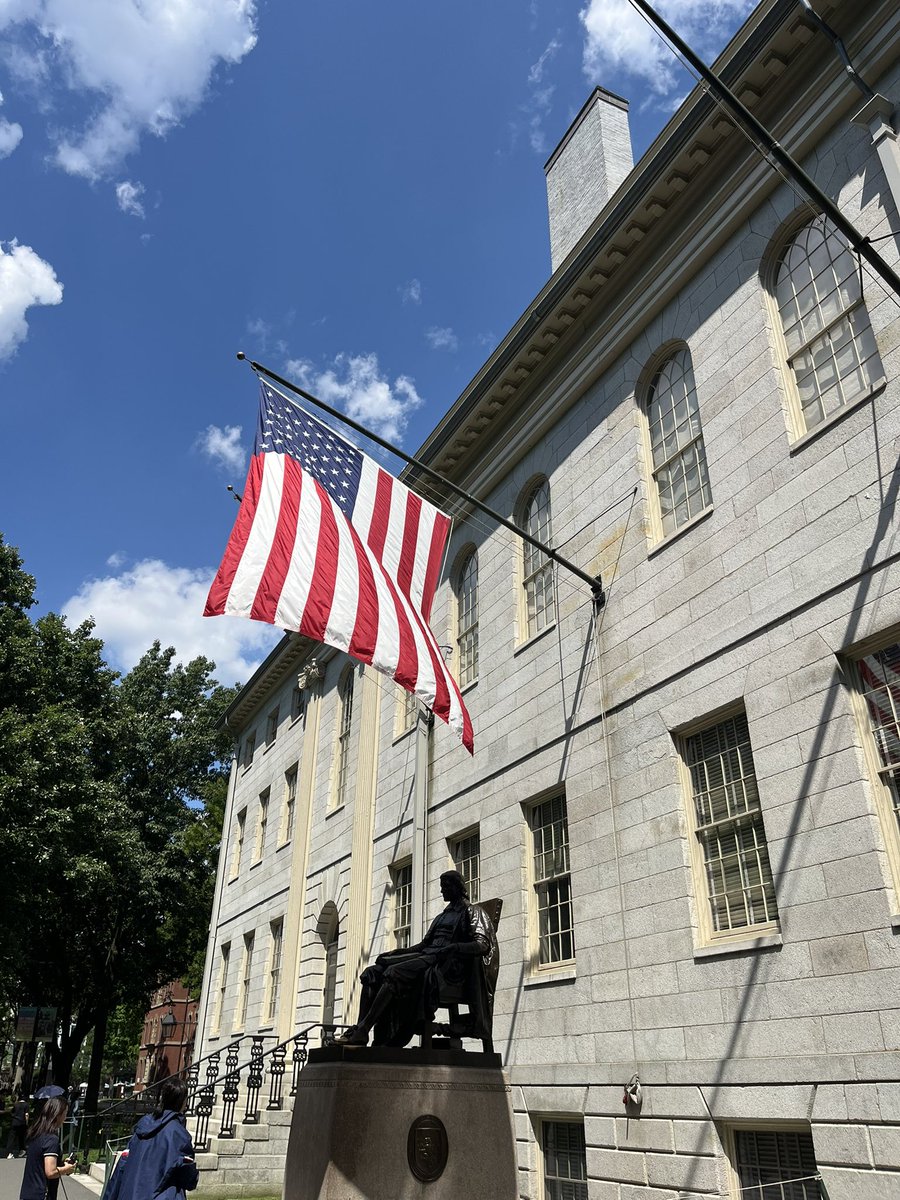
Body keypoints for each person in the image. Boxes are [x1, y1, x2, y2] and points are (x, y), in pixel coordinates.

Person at [337, 870, 498, 1048]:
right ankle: (359, 1029)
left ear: (458, 887)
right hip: (426, 957)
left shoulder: (473, 911)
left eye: (446, 886)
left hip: (446, 969)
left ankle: (364, 1029)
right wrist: (396, 953)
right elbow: (423, 946)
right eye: (441, 886)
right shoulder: (441, 917)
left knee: (394, 973)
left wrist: (454, 948)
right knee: (372, 973)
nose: (442, 890)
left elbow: (482, 945)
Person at [104, 1079, 198, 1200]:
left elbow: (123, 1164)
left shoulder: (143, 1125)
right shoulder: (179, 1135)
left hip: (130, 1193)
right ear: (183, 1101)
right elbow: (188, 1180)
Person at [18, 1097, 76, 1200]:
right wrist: (66, 1169)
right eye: (65, 1113)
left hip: (28, 1192)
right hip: (42, 1194)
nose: (65, 1117)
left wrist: (61, 1163)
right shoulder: (51, 1139)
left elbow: (40, 1163)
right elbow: (50, 1172)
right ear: (58, 1114)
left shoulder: (36, 1134)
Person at [5, 1092, 29, 1158]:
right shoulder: (26, 1105)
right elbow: (26, 1115)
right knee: (21, 1138)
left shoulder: (16, 1104)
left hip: (14, 1122)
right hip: (22, 1123)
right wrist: (27, 1123)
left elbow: (12, 1112)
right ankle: (22, 1151)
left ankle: (9, 1153)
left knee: (11, 1138)